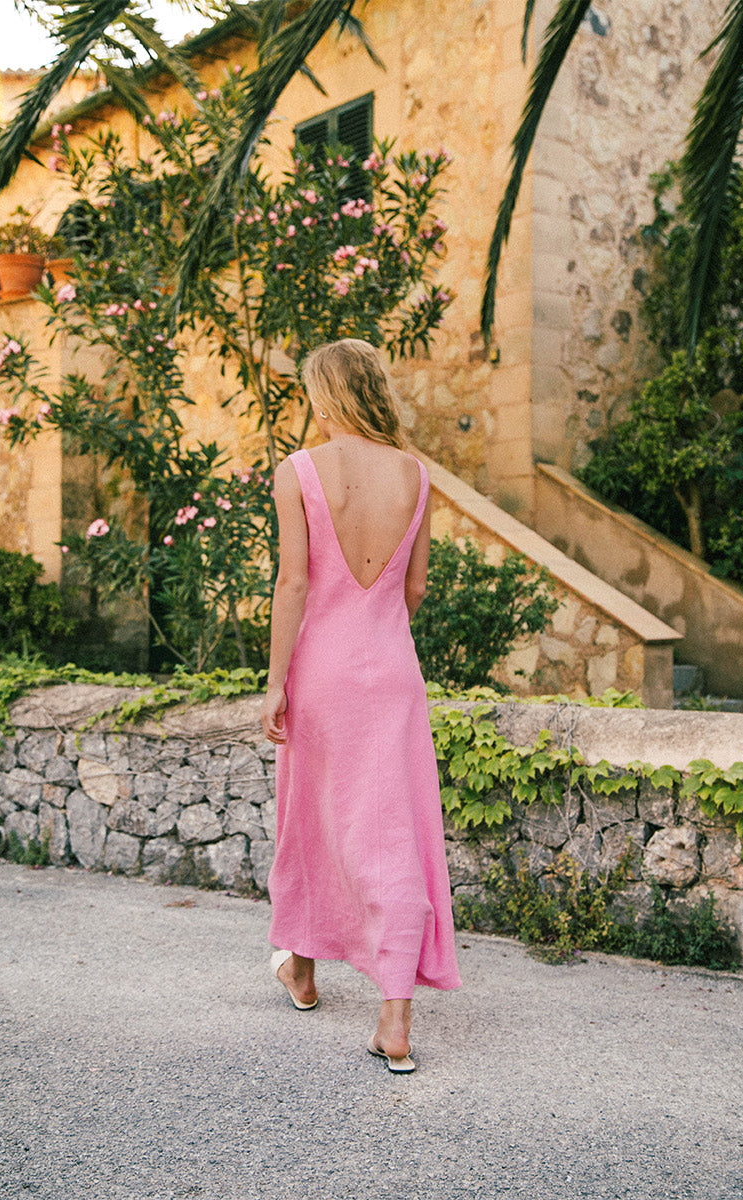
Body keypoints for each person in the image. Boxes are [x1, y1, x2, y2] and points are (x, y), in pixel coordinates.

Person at [261, 338, 461, 1074]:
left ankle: (304, 974)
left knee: (310, 817)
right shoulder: (416, 473)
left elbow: (293, 585)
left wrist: (276, 681)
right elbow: (413, 592)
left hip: (323, 672)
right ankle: (395, 1017)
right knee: (393, 830)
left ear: (325, 396)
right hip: (394, 675)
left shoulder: (300, 470)